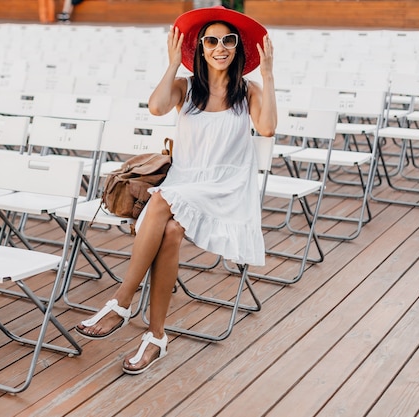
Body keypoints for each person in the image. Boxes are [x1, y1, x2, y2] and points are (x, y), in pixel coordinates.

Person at [75, 5, 277, 375]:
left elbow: (266, 129)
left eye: (228, 40)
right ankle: (155, 337)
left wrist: (268, 74)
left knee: (163, 199)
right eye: (211, 40)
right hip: (186, 181)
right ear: (200, 48)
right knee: (169, 231)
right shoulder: (185, 88)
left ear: (237, 48)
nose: (220, 47)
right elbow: (155, 107)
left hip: (226, 187)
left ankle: (122, 300)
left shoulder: (249, 91)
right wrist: (172, 64)